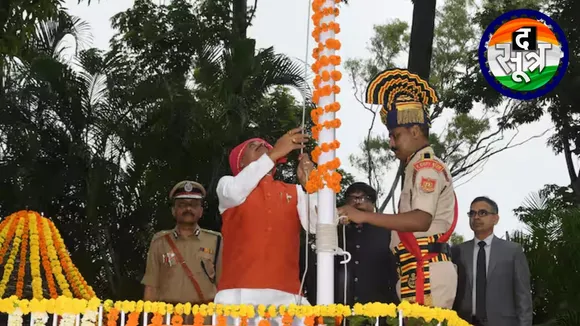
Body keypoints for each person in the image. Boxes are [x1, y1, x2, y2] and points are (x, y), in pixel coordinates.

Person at [338, 68, 458, 308]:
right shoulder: (415, 168)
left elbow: (421, 221)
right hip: (414, 268)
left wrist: (363, 215)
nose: (391, 143)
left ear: (414, 131)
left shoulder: (426, 168)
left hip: (427, 268)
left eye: (395, 135)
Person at [214, 129, 317, 321]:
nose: (263, 147)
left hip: (287, 298)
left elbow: (318, 226)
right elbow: (236, 191)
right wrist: (274, 153)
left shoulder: (294, 191)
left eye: (267, 147)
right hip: (238, 297)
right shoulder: (228, 184)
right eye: (254, 147)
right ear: (240, 162)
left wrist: (312, 186)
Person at [142, 181, 222, 323]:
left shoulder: (216, 240)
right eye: (182, 205)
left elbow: (224, 284)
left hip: (204, 319)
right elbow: (151, 285)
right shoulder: (160, 242)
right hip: (168, 318)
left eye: (193, 205)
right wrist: (147, 320)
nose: (188, 209)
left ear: (201, 211)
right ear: (174, 211)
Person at [452, 197, 532, 326]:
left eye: (482, 213)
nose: (476, 217)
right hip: (463, 322)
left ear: (495, 218)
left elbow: (523, 297)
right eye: (472, 213)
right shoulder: (457, 251)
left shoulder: (512, 251)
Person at [336, 182, 399, 325]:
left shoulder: (387, 230)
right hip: (340, 312)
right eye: (352, 198)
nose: (357, 202)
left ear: (373, 203)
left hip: (379, 312)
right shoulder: (336, 232)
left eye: (363, 197)